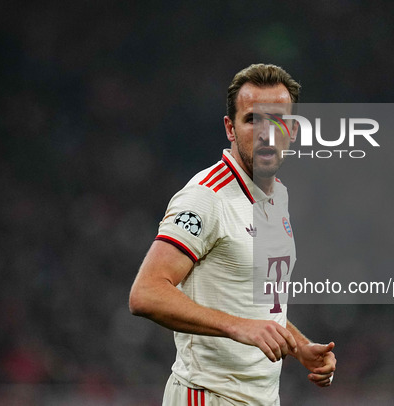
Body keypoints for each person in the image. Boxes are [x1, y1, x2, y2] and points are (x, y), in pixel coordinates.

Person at [129, 63, 336, 406]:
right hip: (208, 397)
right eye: (253, 119)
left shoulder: (276, 196)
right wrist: (237, 326)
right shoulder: (206, 197)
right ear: (230, 127)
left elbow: (255, 303)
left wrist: (298, 347)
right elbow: (146, 293)